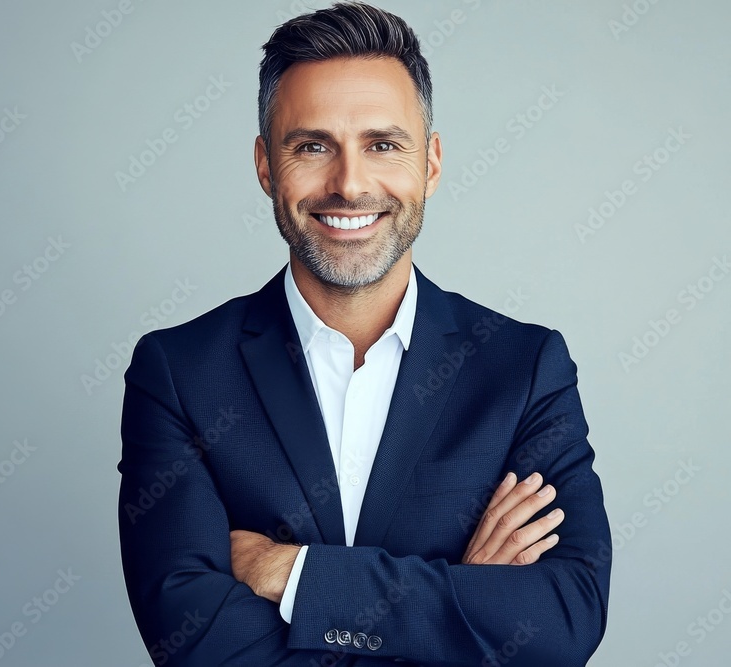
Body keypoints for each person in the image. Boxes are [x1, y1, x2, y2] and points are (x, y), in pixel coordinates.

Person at [117, 3, 610, 665]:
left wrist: (296, 575)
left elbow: (563, 621)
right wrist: (462, 603)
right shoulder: (178, 374)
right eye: (312, 146)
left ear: (430, 163)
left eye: (383, 144)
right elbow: (200, 645)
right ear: (266, 166)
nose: (349, 184)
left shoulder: (525, 369)